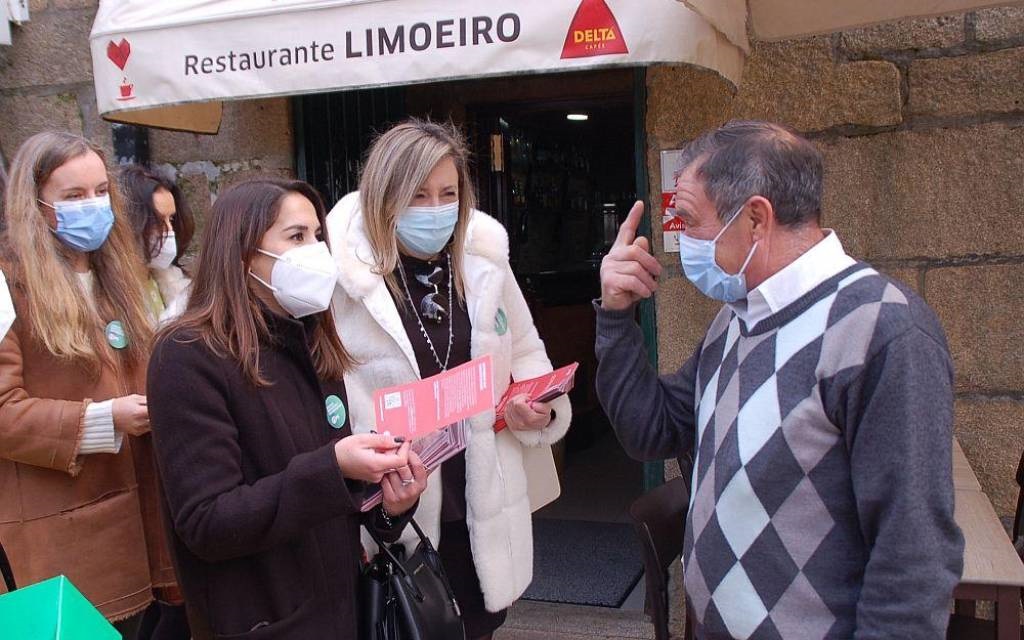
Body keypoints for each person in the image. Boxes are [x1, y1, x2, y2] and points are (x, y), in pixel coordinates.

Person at [595, 120, 963, 639]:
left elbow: (914, 554)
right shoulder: (738, 316)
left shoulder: (883, 329)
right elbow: (649, 430)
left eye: (689, 220)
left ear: (755, 219)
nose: (680, 239)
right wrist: (615, 316)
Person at [146, 177, 428, 639]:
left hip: (340, 612)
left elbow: (337, 501)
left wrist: (390, 508)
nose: (315, 250)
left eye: (318, 236)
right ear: (241, 252)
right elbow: (207, 521)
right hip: (262, 620)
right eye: (296, 236)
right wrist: (332, 468)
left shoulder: (310, 339)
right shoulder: (187, 356)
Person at [328, 118, 571, 640]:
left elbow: (528, 354)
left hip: (480, 506)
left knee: (479, 626)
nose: (435, 210)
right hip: (396, 514)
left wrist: (536, 407)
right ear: (383, 197)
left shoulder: (485, 264)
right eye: (417, 195)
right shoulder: (341, 282)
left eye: (447, 193)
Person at [0, 132, 176, 636]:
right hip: (62, 540)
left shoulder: (118, 278)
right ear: (35, 205)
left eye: (101, 191)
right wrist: (104, 419)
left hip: (141, 528)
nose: (92, 206)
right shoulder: (6, 283)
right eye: (73, 196)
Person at [118, 165, 194, 324]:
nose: (170, 231)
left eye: (171, 219)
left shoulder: (177, 288)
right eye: (157, 221)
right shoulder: (112, 295)